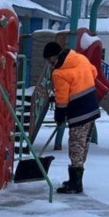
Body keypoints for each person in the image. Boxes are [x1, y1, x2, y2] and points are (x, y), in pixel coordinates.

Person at [43, 40, 100, 194]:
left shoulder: (59, 72)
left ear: (54, 57)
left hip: (79, 112)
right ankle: (76, 180)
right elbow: (94, 72)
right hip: (92, 107)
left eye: (49, 61)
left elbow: (62, 97)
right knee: (83, 145)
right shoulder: (80, 58)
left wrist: (59, 114)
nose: (50, 64)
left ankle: (75, 184)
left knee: (75, 145)